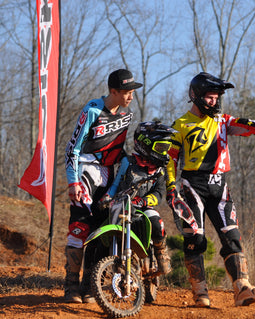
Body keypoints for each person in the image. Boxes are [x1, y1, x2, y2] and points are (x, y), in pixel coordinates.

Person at [166, 72, 255, 307]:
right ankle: (200, 294)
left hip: (220, 185)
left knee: (232, 237)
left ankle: (242, 289)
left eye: (217, 97)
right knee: (195, 239)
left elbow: (251, 126)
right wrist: (170, 187)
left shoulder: (223, 120)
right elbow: (170, 159)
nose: (215, 102)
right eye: (210, 97)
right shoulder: (181, 125)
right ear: (195, 96)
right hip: (192, 185)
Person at [64, 69, 142, 303]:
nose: (130, 96)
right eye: (126, 92)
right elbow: (72, 148)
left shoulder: (126, 117)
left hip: (108, 177)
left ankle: (90, 286)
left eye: (132, 92)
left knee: (101, 233)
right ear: (114, 91)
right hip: (85, 172)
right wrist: (73, 181)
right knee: (79, 228)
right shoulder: (92, 110)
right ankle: (70, 286)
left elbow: (118, 152)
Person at [103, 121, 176, 276]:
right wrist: (107, 197)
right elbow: (116, 184)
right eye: (160, 148)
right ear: (146, 144)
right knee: (100, 230)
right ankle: (95, 273)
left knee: (156, 220)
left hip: (143, 208)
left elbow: (159, 194)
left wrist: (144, 201)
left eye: (166, 149)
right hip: (122, 206)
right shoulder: (128, 163)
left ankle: (161, 251)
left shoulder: (160, 171)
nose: (164, 152)